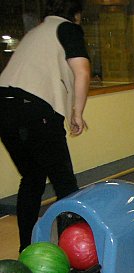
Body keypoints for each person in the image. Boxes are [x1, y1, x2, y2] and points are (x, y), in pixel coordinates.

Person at [0, 0, 90, 253]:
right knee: (65, 186)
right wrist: (77, 112)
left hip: (4, 107)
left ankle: (26, 249)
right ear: (75, 14)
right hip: (34, 109)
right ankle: (75, 253)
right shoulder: (68, 28)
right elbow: (82, 71)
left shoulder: (36, 32)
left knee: (32, 178)